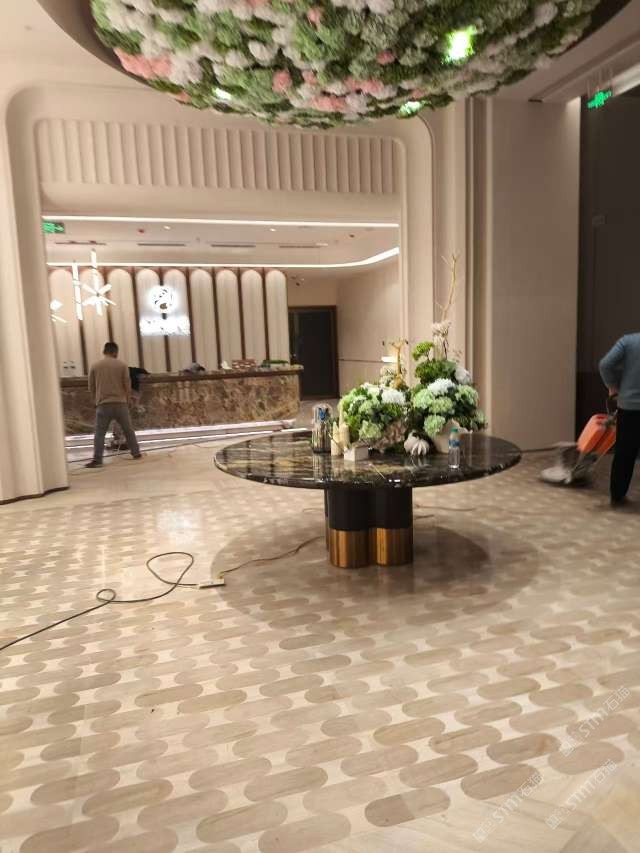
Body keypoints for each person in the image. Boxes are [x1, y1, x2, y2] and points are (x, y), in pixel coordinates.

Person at [86, 342, 142, 468]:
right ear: (115, 352)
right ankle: (136, 453)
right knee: (128, 430)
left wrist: (95, 401)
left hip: (103, 404)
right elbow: (127, 384)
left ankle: (97, 460)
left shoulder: (95, 366)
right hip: (120, 403)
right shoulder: (122, 365)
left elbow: (91, 386)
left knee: (100, 433)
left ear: (104, 351)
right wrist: (128, 400)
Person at [599, 332, 640, 505]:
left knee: (624, 452)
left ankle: (617, 495)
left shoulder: (629, 341)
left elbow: (605, 364)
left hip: (629, 406)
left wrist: (613, 386)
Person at [110, 366, 148, 450]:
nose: (143, 379)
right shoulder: (131, 385)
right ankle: (121, 440)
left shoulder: (131, 383)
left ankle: (120, 439)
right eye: (143, 377)